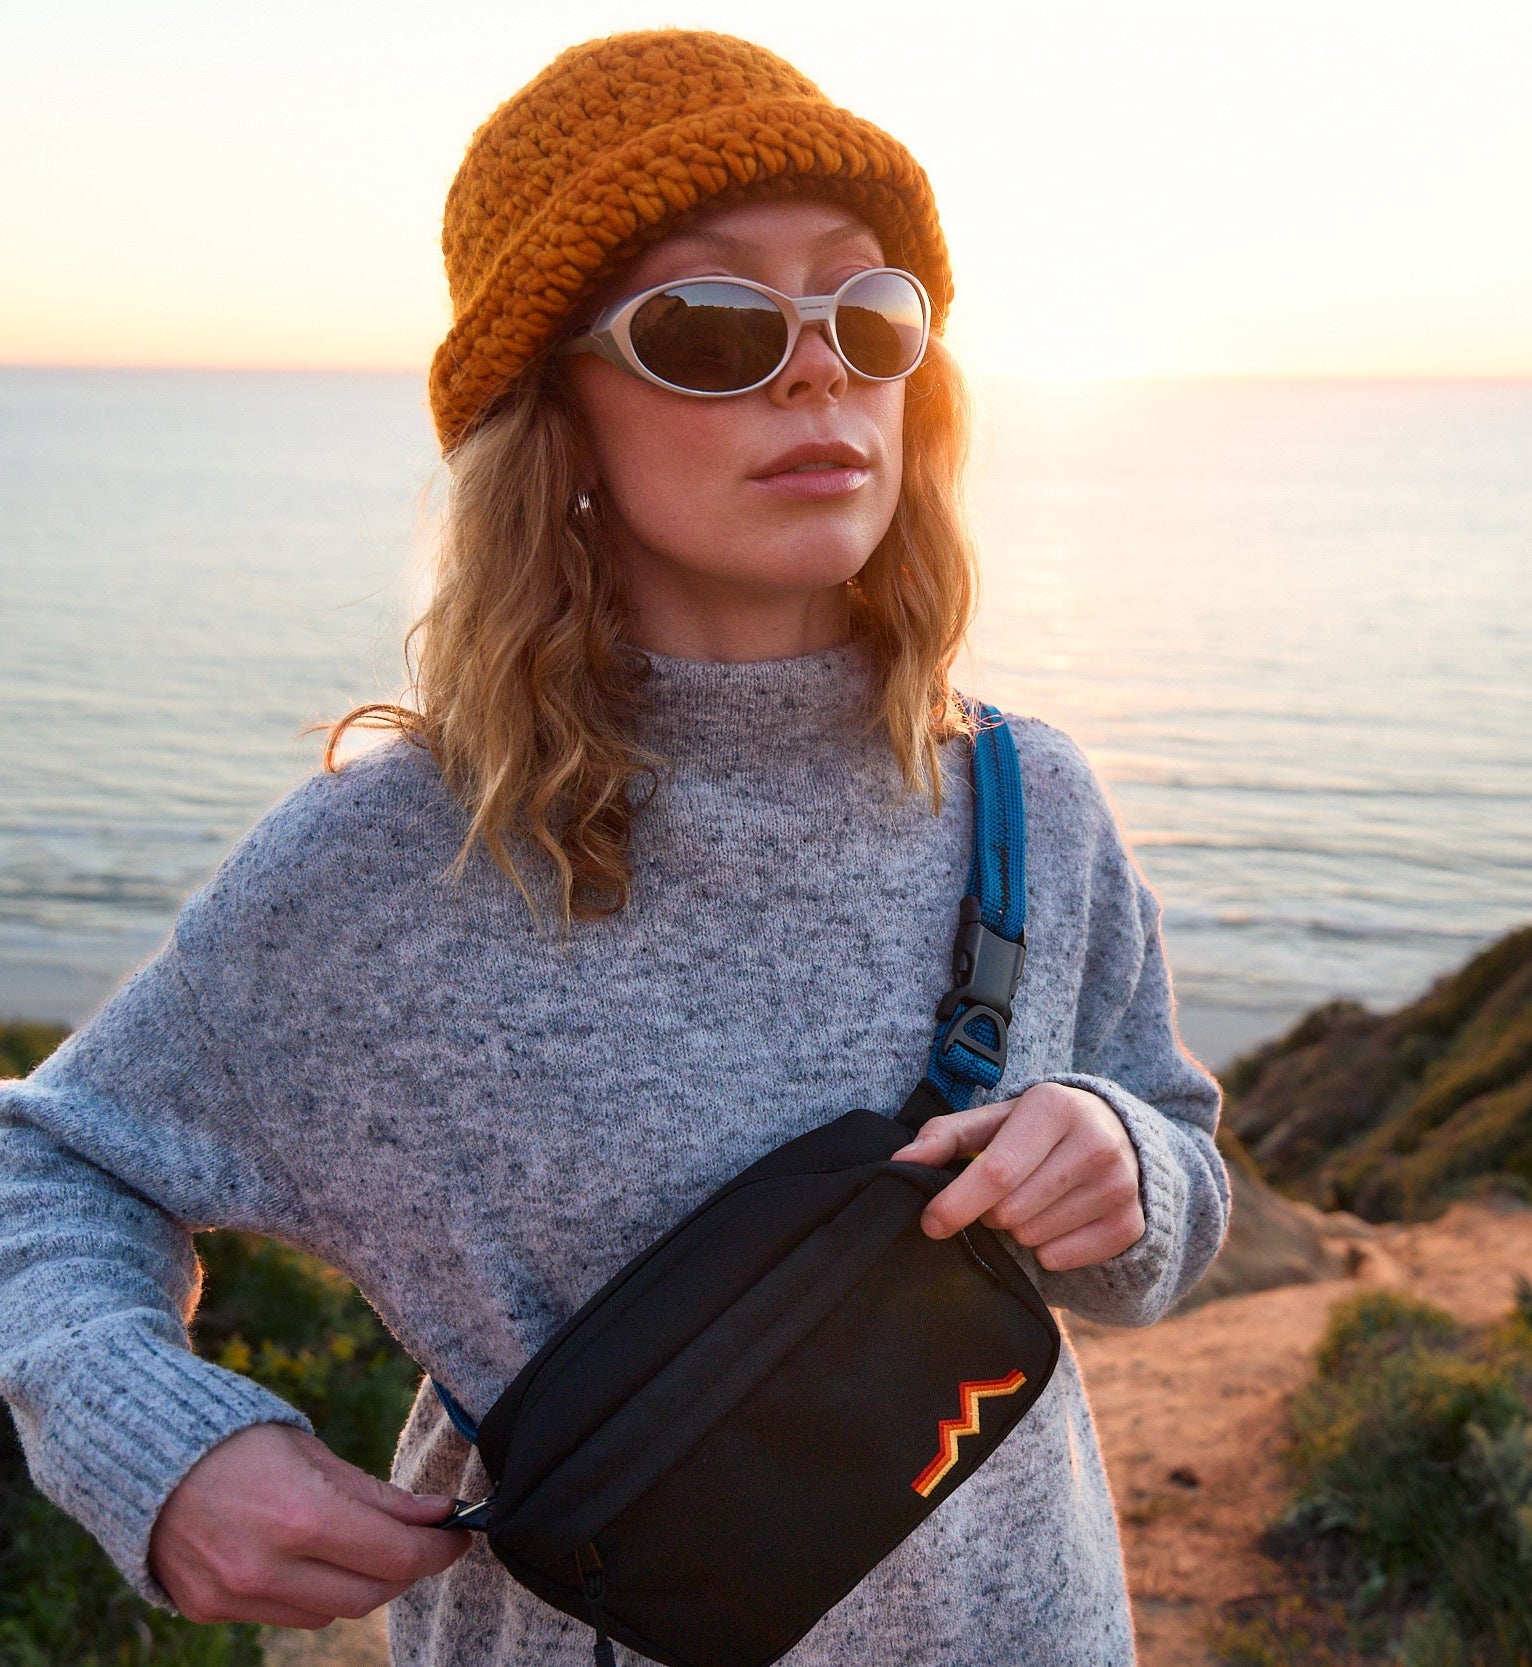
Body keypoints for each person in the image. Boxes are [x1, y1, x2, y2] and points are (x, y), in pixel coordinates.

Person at [0, 29, 1229, 1667]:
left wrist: (1124, 1161)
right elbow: (48, 1162)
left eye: (868, 314)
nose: (818, 373)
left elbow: (1179, 1186)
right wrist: (156, 1441)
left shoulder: (1027, 797)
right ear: (553, 411)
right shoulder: (395, 868)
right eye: (712, 324)